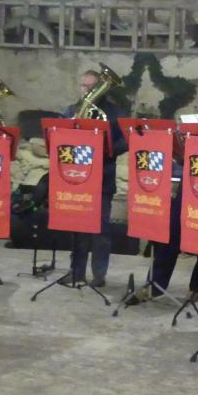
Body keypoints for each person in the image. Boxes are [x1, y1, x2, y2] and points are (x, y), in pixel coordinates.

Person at [133, 89, 198, 304]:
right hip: (189, 187)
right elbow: (184, 160)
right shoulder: (197, 128)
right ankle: (156, 284)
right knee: (170, 234)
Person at [58, 69, 126, 288]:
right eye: (83, 86)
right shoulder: (71, 110)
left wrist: (106, 149)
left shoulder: (114, 113)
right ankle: (76, 272)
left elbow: (126, 142)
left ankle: (99, 275)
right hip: (77, 179)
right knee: (77, 228)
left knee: (100, 230)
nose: (86, 91)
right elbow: (59, 138)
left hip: (103, 178)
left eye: (92, 87)